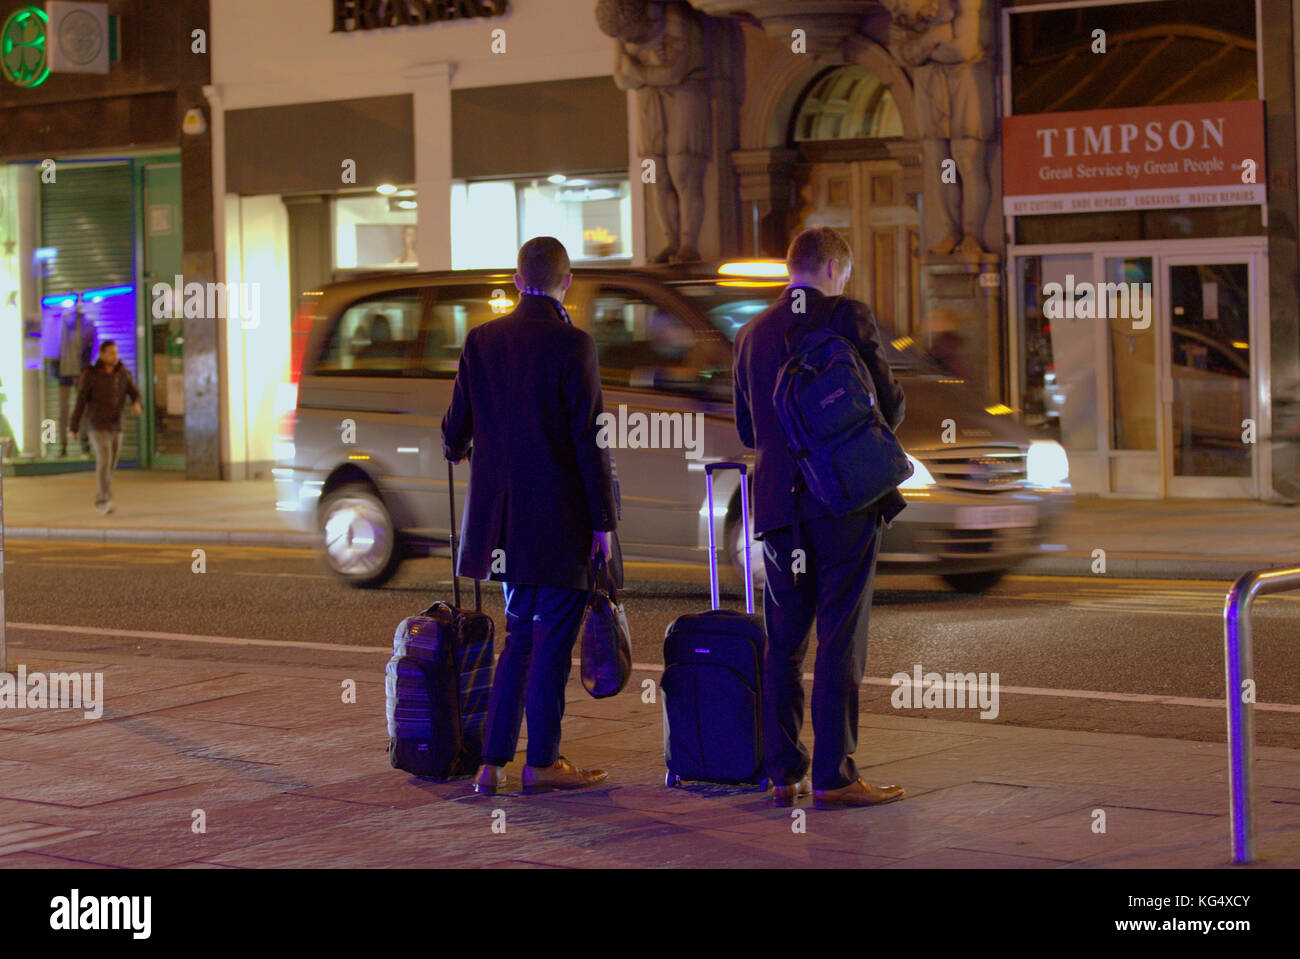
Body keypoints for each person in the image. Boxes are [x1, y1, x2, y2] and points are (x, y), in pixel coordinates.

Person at [732, 226, 909, 809]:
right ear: (834, 267)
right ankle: (835, 776)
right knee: (838, 636)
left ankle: (783, 773)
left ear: (792, 268)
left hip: (780, 508)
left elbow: (749, 430)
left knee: (783, 640)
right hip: (843, 501)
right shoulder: (846, 317)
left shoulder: (752, 333)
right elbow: (890, 405)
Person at [442, 236, 619, 795]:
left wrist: (466, 449)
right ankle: (541, 761)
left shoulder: (481, 341)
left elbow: (453, 433)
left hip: (503, 529)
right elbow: (590, 442)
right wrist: (603, 524)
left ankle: (491, 763)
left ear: (517, 282)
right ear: (567, 282)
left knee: (519, 638)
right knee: (551, 644)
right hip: (560, 523)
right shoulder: (575, 345)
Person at [69, 340, 141, 515]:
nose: (114, 356)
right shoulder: (91, 375)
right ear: (102, 355)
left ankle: (103, 495)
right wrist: (74, 427)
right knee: (105, 459)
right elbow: (81, 401)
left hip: (116, 426)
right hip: (96, 425)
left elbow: (135, 393)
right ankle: (103, 501)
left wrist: (136, 404)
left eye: (116, 353)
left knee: (110, 463)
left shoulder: (123, 374)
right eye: (111, 353)